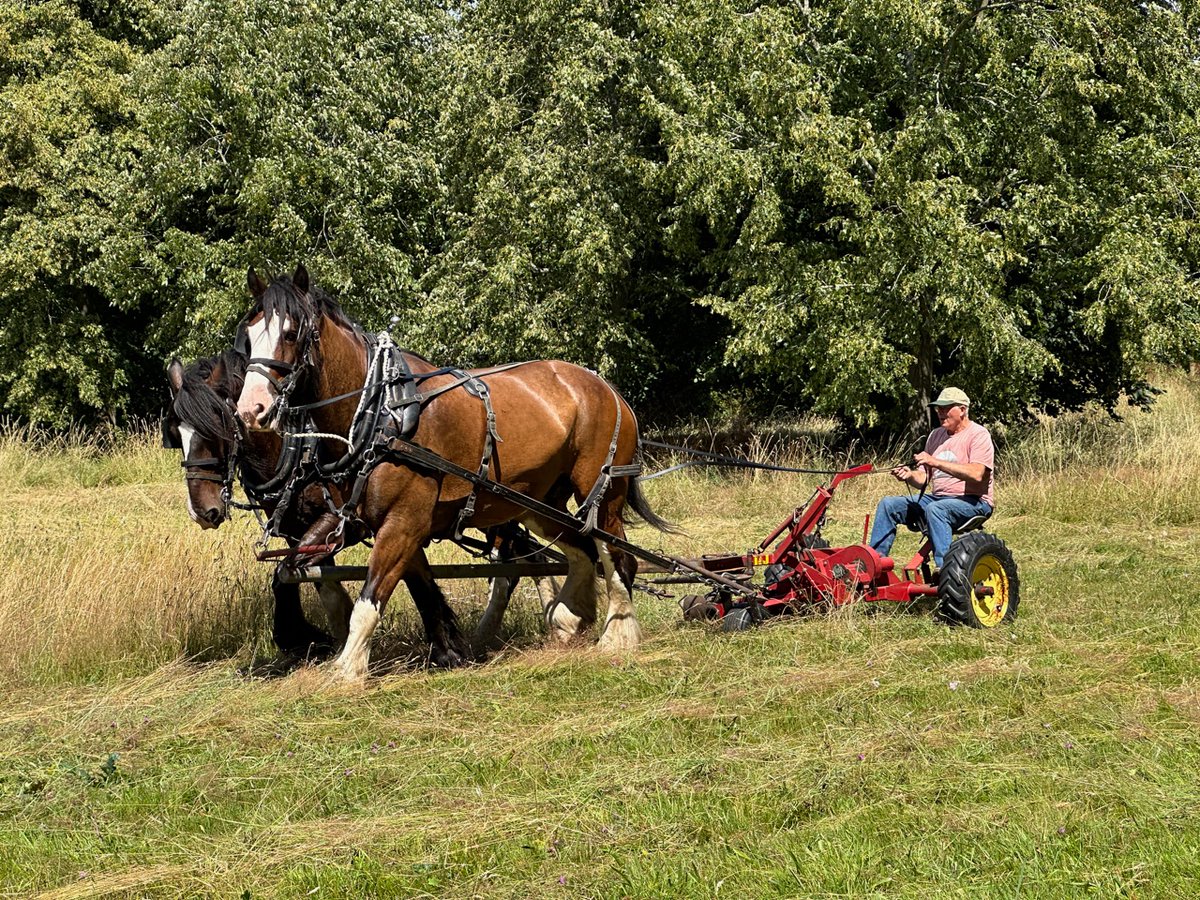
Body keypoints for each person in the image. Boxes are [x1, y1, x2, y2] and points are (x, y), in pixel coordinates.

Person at [869, 387, 994, 570]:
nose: (941, 413)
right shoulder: (936, 435)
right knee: (889, 504)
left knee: (937, 509)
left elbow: (977, 474)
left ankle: (945, 570)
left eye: (946, 408)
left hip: (973, 502)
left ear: (962, 409)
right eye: (938, 408)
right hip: (938, 499)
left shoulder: (978, 434)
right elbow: (923, 478)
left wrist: (935, 462)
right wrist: (909, 475)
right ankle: (875, 563)